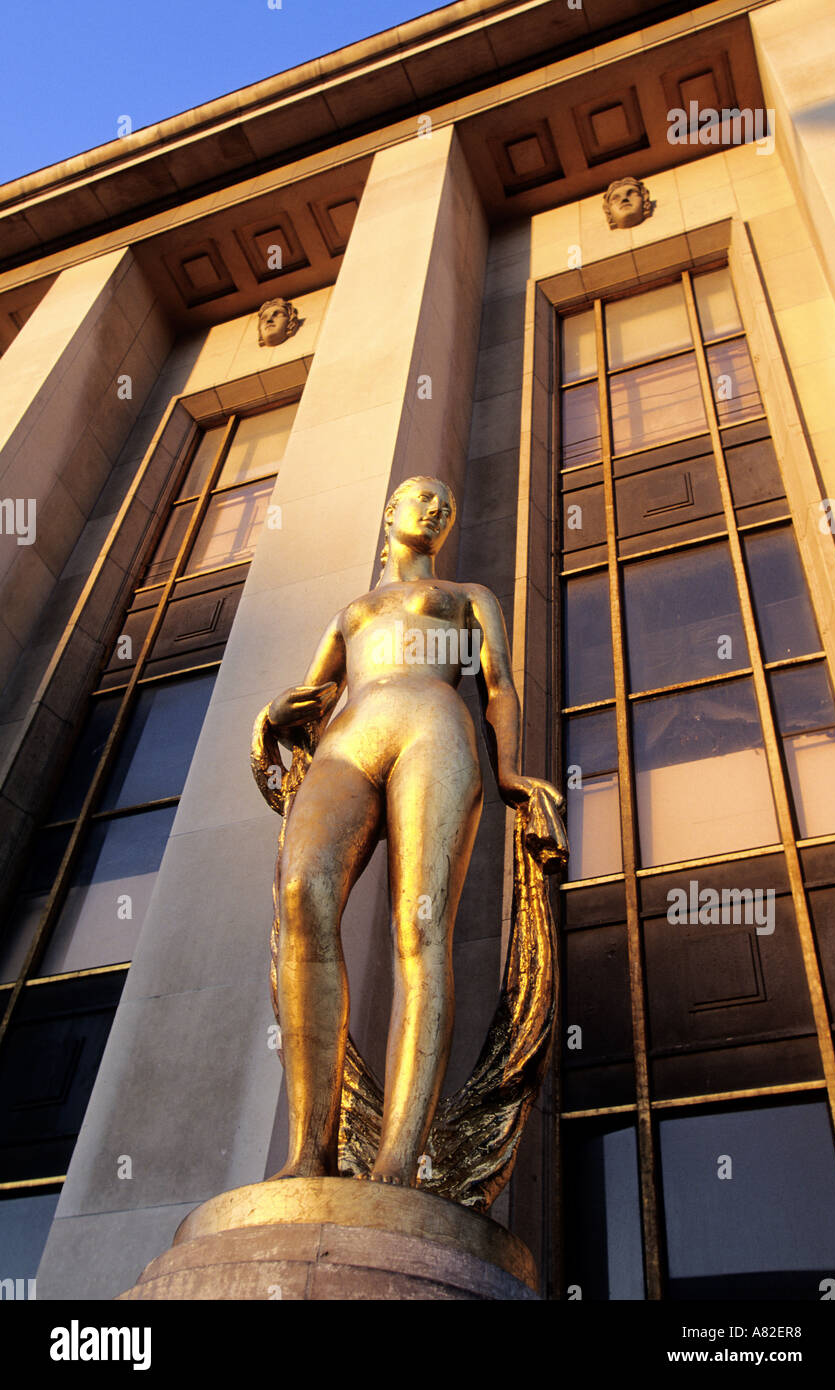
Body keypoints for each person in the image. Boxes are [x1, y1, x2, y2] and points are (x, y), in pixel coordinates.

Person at [265, 474, 562, 1186]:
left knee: (418, 927)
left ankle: (399, 1158)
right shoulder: (351, 612)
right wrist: (277, 713)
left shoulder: (468, 599)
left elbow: (498, 686)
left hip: (435, 728)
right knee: (303, 893)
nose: (435, 508)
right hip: (348, 738)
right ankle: (311, 1150)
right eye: (420, 497)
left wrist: (512, 770)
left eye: (445, 505)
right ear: (390, 511)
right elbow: (316, 696)